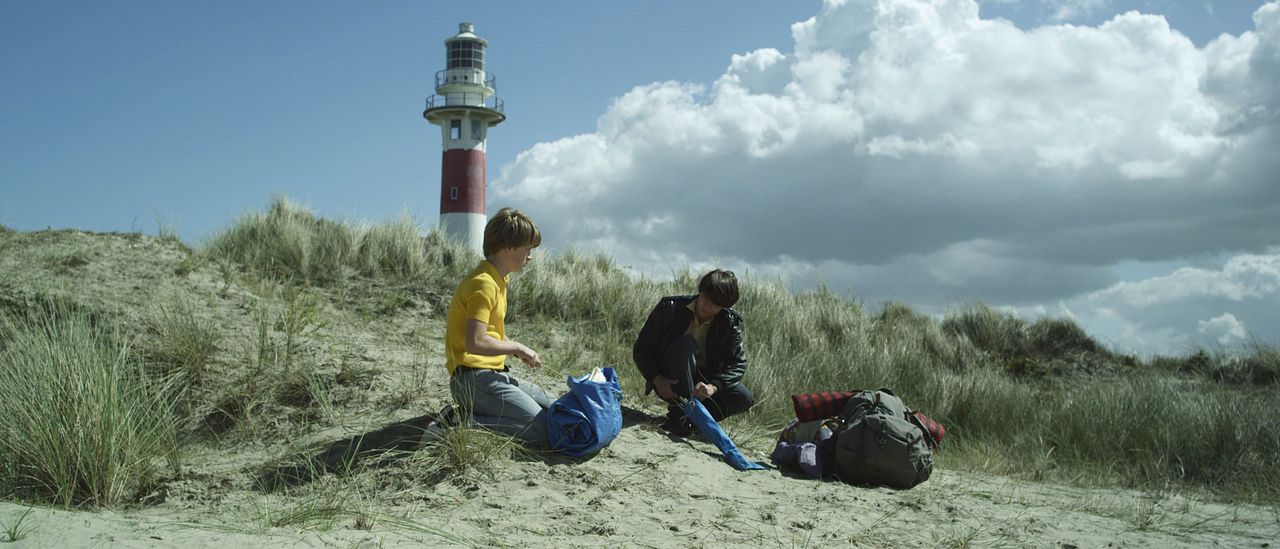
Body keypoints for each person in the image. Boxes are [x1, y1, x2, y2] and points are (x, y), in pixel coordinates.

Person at [443, 207, 552, 446]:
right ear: (508, 246)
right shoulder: (484, 284)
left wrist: (511, 349)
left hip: (492, 375)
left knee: (555, 410)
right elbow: (476, 342)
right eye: (527, 249)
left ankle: (472, 417)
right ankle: (457, 421)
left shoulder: (497, 280)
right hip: (472, 382)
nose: (530, 256)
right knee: (542, 431)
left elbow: (490, 334)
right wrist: (519, 348)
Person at [633, 269, 755, 436]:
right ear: (700, 290)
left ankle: (692, 421)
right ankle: (678, 417)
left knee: (744, 397)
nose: (707, 303)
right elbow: (642, 348)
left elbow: (738, 363)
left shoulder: (729, 324)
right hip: (669, 376)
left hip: (702, 384)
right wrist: (656, 378)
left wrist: (713, 386)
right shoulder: (669, 308)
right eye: (705, 296)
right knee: (686, 345)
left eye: (715, 301)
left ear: (724, 305)